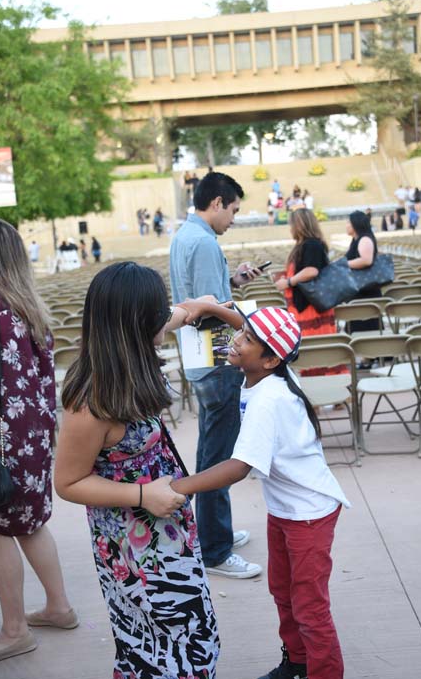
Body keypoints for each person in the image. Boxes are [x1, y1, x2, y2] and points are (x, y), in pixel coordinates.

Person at [54, 262, 230, 678]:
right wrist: (141, 495)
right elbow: (67, 482)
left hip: (167, 524)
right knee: (157, 643)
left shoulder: (131, 350)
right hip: (133, 544)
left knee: (190, 628)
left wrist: (202, 305)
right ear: (134, 324)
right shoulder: (90, 401)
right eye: (157, 314)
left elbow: (181, 312)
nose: (165, 321)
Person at [170, 305, 350, 679]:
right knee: (283, 592)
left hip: (309, 515)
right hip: (286, 510)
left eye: (247, 340)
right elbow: (258, 334)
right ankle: (298, 663)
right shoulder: (272, 370)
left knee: (310, 607)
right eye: (242, 332)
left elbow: (238, 467)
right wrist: (214, 309)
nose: (236, 340)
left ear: (268, 359)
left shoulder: (270, 398)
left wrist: (179, 487)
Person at [170, 171, 263, 579]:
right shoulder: (205, 242)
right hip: (217, 358)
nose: (233, 219)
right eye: (234, 210)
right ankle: (215, 549)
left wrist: (233, 282)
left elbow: (201, 300)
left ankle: (214, 531)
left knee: (213, 450)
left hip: (200, 359)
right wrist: (242, 315)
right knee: (218, 457)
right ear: (217, 202)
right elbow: (211, 310)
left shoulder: (184, 236)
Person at [0, 219, 77, 665]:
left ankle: (14, 630)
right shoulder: (29, 309)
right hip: (33, 436)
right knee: (29, 523)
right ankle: (59, 607)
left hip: (1, 443)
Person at [274, 208, 346, 377]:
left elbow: (312, 271)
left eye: (292, 224)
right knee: (313, 352)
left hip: (310, 307)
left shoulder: (311, 244)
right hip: (303, 305)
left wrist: (288, 281)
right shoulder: (306, 245)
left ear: (300, 225)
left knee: (318, 351)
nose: (290, 228)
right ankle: (323, 393)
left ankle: (331, 392)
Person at [346, 210, 382, 369]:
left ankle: (370, 357)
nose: (346, 225)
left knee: (367, 323)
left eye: (349, 222)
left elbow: (366, 260)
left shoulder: (365, 239)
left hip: (366, 291)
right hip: (359, 289)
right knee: (360, 323)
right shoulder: (356, 239)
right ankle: (368, 357)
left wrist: (343, 264)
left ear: (356, 224)